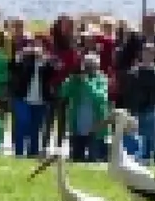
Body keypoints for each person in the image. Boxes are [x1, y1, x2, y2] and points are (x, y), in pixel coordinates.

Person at [58, 53, 110, 162]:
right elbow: (63, 93)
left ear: (97, 66)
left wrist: (86, 82)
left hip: (95, 128)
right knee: (76, 159)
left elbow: (101, 98)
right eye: (86, 65)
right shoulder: (75, 80)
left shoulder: (101, 79)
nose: (88, 69)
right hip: (78, 127)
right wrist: (72, 79)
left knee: (93, 160)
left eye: (91, 66)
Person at [9, 38, 55, 157]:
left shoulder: (47, 63)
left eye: (40, 46)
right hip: (23, 98)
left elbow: (52, 73)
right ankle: (19, 152)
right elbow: (13, 67)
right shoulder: (25, 60)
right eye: (35, 46)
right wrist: (21, 55)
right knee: (23, 122)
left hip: (40, 100)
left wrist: (43, 62)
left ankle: (33, 152)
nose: (37, 49)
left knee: (36, 127)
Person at [122, 42, 155, 161]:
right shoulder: (134, 71)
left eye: (150, 52)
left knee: (151, 135)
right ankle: (137, 157)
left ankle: (150, 156)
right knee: (137, 134)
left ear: (154, 55)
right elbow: (128, 90)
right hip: (136, 108)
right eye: (145, 52)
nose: (147, 55)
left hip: (152, 107)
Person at [44, 18, 80, 150]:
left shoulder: (73, 42)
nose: (65, 27)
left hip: (66, 84)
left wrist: (63, 67)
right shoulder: (52, 41)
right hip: (52, 84)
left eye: (68, 25)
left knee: (62, 117)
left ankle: (59, 147)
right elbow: (47, 58)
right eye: (63, 24)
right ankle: (45, 145)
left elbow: (74, 63)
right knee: (49, 116)